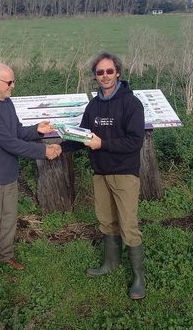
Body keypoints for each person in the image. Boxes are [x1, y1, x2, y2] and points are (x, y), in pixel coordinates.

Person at [57, 52, 146, 300]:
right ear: (95, 76)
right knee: (106, 221)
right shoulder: (94, 105)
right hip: (101, 174)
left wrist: (102, 144)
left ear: (118, 72)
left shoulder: (132, 104)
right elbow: (83, 137)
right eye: (99, 72)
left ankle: (139, 277)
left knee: (128, 225)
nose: (105, 76)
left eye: (109, 71)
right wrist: (59, 148)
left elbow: (134, 142)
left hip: (124, 174)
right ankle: (111, 264)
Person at [0, 62, 59, 285]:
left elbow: (16, 132)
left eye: (13, 81)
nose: (13, 86)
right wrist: (43, 150)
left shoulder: (6, 103)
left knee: (9, 219)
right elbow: (10, 144)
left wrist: (36, 129)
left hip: (8, 173)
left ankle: (4, 255)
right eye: (9, 82)